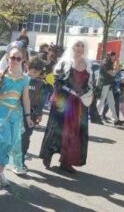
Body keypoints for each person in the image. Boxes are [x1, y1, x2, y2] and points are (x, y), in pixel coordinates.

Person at [39, 41, 92, 173]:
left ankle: (66, 161)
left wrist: (86, 92)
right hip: (63, 102)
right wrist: (69, 91)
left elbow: (91, 85)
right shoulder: (64, 63)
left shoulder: (89, 65)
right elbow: (56, 82)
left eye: (82, 46)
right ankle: (48, 154)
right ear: (72, 47)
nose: (79, 48)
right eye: (77, 45)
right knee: (57, 129)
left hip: (79, 104)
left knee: (74, 133)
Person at [0, 46, 34, 188]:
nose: (15, 60)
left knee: (11, 143)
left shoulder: (25, 78)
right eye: (12, 57)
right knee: (3, 141)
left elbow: (25, 98)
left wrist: (28, 116)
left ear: (23, 60)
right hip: (1, 112)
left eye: (18, 58)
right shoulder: (2, 74)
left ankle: (0, 172)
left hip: (16, 114)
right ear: (8, 58)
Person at [21, 56, 46, 171]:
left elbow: (41, 100)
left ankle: (21, 160)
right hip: (19, 112)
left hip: (32, 114)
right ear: (28, 67)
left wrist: (40, 113)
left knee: (26, 136)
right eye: (33, 71)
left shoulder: (41, 84)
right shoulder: (21, 79)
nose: (34, 74)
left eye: (37, 72)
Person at [97, 52, 124, 126]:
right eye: (114, 57)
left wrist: (117, 63)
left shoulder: (108, 62)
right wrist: (117, 66)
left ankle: (116, 120)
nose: (115, 58)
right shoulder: (106, 63)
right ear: (110, 56)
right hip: (105, 84)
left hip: (108, 85)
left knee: (112, 102)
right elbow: (113, 74)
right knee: (102, 100)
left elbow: (115, 72)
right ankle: (95, 117)